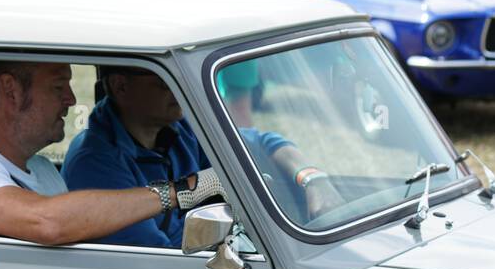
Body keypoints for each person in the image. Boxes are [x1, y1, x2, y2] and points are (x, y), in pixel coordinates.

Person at [0, 60, 208, 245]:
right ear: (11, 90)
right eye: (59, 86)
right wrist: (181, 192)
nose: (72, 99)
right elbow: (46, 223)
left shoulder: (43, 170)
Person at [62, 64, 343, 245]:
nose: (178, 89)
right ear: (121, 86)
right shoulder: (94, 164)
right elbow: (156, 257)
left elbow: (262, 143)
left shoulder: (179, 127)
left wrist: (312, 178)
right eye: (164, 80)